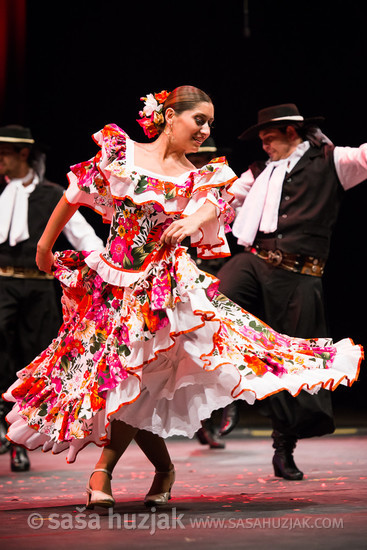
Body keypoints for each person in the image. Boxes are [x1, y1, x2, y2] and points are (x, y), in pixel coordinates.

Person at [3, 88, 362, 510]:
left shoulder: (201, 174)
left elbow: (213, 208)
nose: (206, 130)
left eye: (210, 123)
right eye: (199, 121)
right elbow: (72, 197)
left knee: (139, 378)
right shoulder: (124, 154)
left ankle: (103, 472)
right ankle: (164, 469)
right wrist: (44, 248)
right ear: (170, 116)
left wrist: (190, 219)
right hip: (116, 286)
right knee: (132, 383)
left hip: (166, 291)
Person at [217, 103, 367, 480]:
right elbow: (223, 201)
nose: (264, 146)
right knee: (213, 306)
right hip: (257, 261)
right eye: (262, 140)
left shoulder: (335, 160)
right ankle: (227, 396)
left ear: (290, 132)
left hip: (301, 278)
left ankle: (284, 448)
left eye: (269, 139)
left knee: (296, 366)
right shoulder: (259, 172)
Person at [0, 125, 104, 472]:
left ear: (23, 155)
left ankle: (18, 440)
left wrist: (104, 267)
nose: (0, 160)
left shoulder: (50, 194)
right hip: (1, 284)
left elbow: (82, 235)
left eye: (4, 153)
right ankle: (3, 424)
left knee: (34, 353)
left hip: (38, 286)